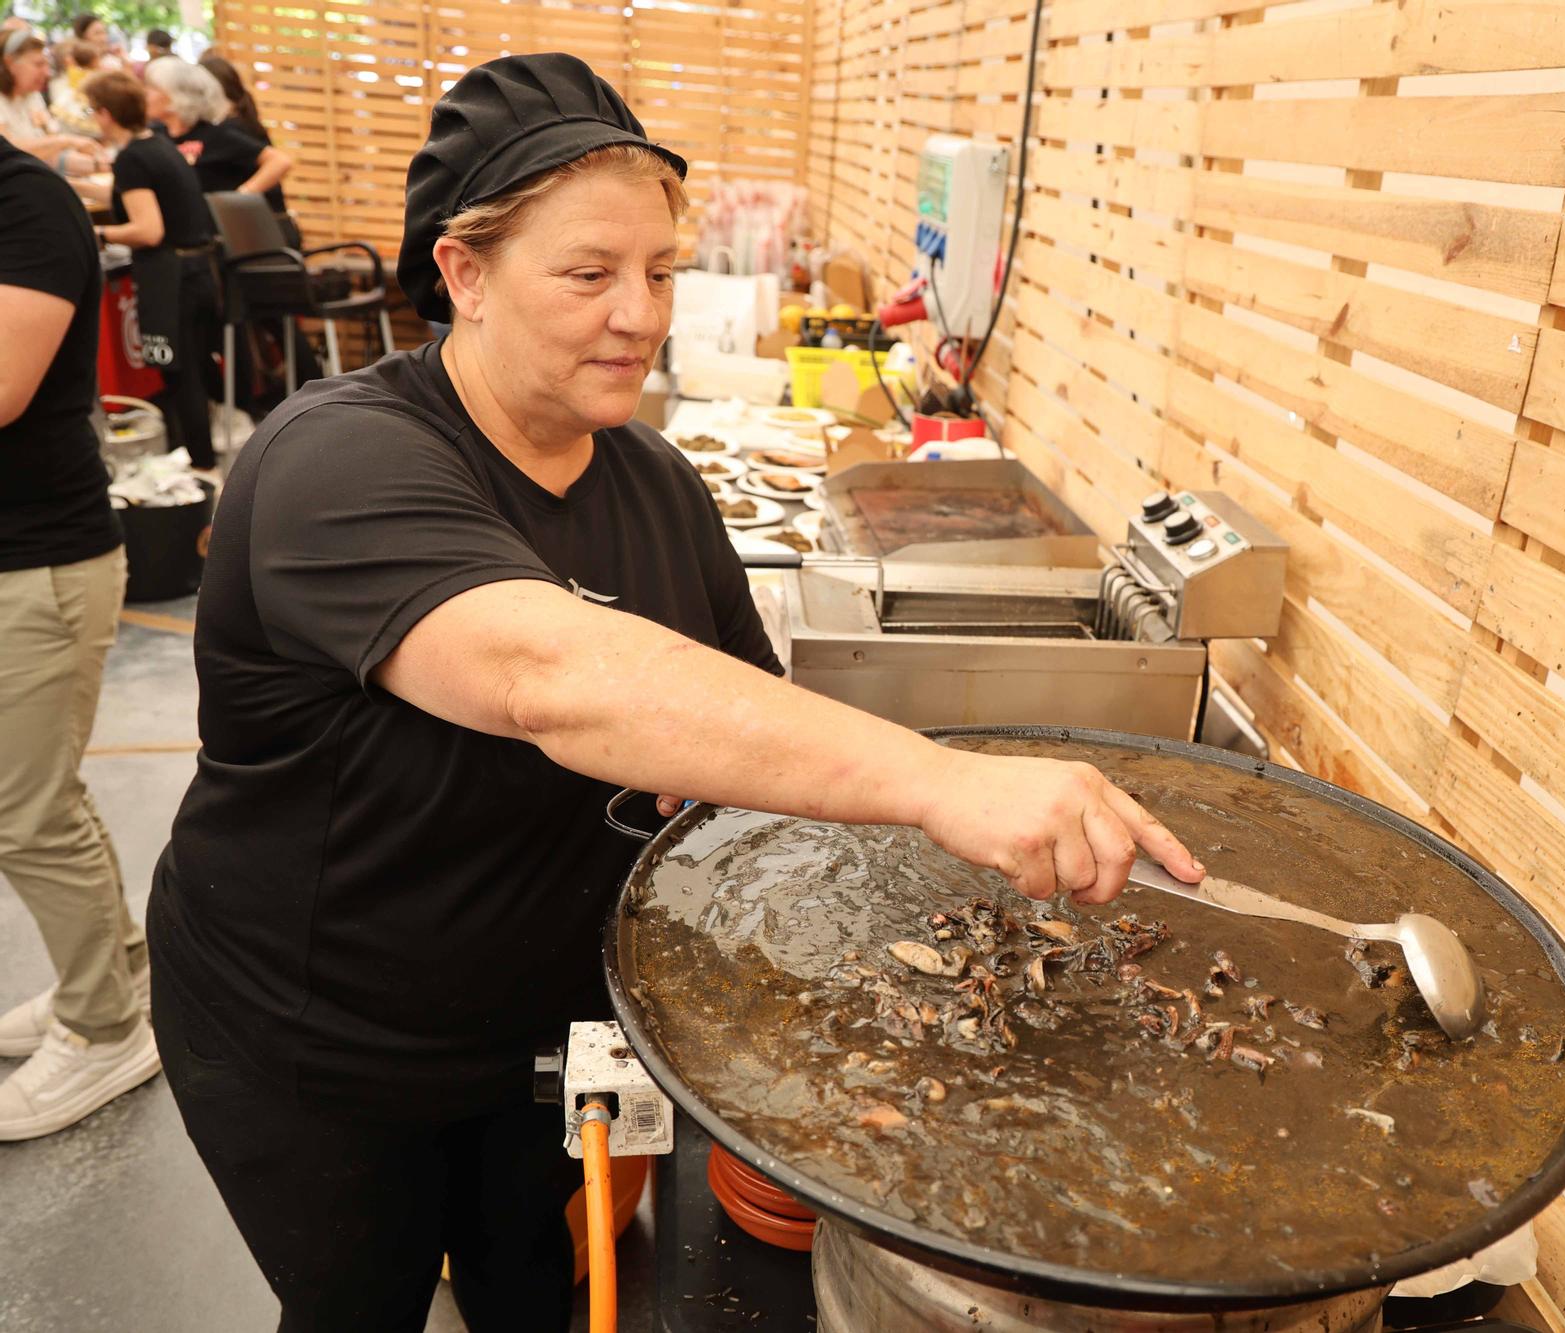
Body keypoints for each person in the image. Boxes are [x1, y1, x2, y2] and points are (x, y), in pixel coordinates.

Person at [147, 51, 1201, 1332]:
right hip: (320, 1039)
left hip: (544, 1032)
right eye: (589, 274)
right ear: (465, 275)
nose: (639, 316)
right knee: (356, 1306)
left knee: (539, 1277)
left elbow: (719, 737)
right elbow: (551, 677)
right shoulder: (337, 462)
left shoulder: (650, 479)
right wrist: (940, 782)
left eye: (659, 271)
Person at [0, 131, 156, 1141]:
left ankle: (106, 1029)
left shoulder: (25, 203)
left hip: (39, 567)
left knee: (23, 812)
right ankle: (114, 974)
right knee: (39, 794)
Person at [82, 68, 218, 469]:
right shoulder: (158, 146)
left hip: (171, 278)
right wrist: (69, 186)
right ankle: (203, 461)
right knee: (196, 369)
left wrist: (100, 234)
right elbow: (130, 193)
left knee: (181, 376)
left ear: (106, 114)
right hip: (199, 272)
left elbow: (148, 229)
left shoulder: (131, 159)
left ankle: (200, 467)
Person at [145, 54, 288, 211]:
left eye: (153, 88)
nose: (145, 94)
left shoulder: (217, 134)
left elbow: (280, 161)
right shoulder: (156, 135)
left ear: (174, 95)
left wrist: (237, 200)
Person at [0, 29, 101, 172]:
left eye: (46, 64)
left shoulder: (32, 96)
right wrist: (66, 141)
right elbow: (8, 150)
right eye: (38, 64)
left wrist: (98, 165)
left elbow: (49, 153)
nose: (47, 72)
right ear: (9, 63)